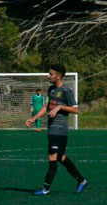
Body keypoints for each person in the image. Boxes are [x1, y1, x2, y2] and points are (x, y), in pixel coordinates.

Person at [26, 64, 88, 195]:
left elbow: (75, 109)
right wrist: (34, 118)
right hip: (51, 129)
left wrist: (60, 107)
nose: (48, 76)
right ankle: (81, 180)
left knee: (52, 157)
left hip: (60, 130)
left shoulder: (66, 90)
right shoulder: (51, 89)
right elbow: (46, 107)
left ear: (58, 76)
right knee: (60, 157)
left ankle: (46, 188)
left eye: (51, 74)